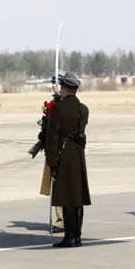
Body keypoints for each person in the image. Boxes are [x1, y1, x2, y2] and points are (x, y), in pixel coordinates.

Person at [44, 72, 90, 248]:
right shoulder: (83, 108)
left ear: (65, 89)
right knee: (77, 196)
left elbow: (53, 136)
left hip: (63, 153)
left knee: (67, 197)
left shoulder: (59, 108)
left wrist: (51, 160)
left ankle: (70, 237)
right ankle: (77, 235)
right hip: (77, 153)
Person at [38, 71, 65, 233]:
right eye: (53, 83)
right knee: (55, 186)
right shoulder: (53, 104)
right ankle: (60, 219)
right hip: (52, 150)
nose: (53, 86)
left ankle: (63, 220)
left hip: (63, 150)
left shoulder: (64, 104)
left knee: (63, 187)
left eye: (56, 83)